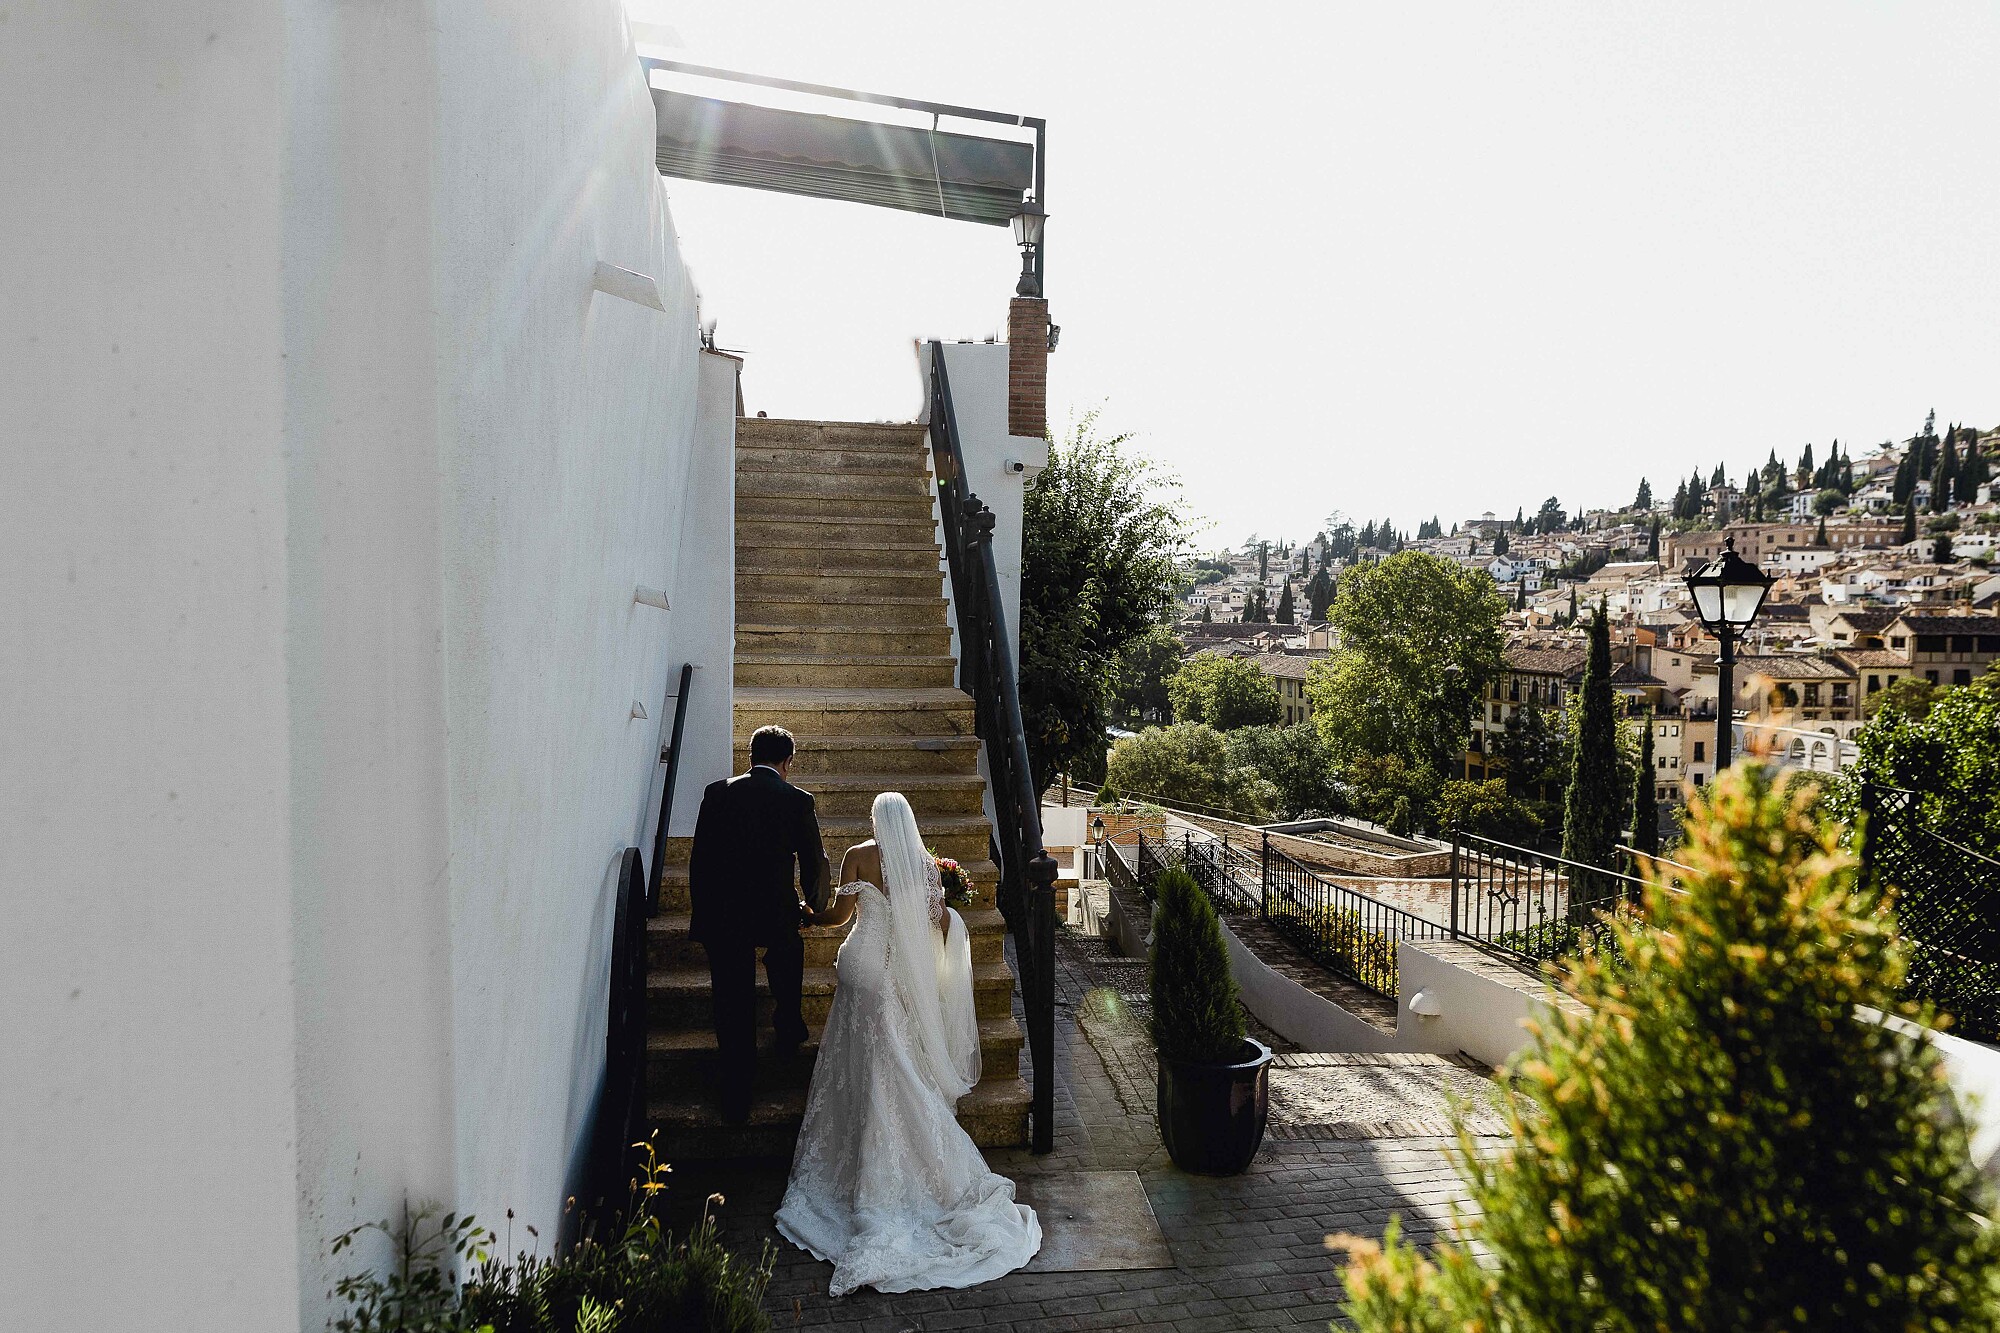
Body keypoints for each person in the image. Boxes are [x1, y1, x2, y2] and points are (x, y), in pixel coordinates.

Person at [775, 792, 1041, 1295]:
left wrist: (809, 914)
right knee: (891, 1060)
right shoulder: (921, 864)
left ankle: (851, 1154)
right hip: (890, 974)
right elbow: (936, 921)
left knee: (856, 1057)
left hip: (858, 965)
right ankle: (896, 1162)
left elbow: (841, 916)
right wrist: (948, 932)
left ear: (877, 820)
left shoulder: (857, 855)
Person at [687, 725, 830, 1124]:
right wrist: (814, 905)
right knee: (788, 957)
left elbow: (700, 861)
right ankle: (788, 1026)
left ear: (750, 757)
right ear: (788, 762)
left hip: (724, 913)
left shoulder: (716, 793)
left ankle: (736, 1091)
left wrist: (703, 914)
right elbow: (814, 860)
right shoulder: (797, 799)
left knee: (731, 998)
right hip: (775, 910)